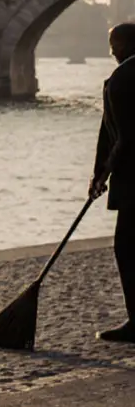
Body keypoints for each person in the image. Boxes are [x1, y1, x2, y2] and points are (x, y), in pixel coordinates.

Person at [90, 23, 135, 343]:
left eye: (115, 44)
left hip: (134, 180)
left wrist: (104, 171)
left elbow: (120, 136)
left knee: (128, 249)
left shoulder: (122, 79)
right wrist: (100, 172)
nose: (111, 51)